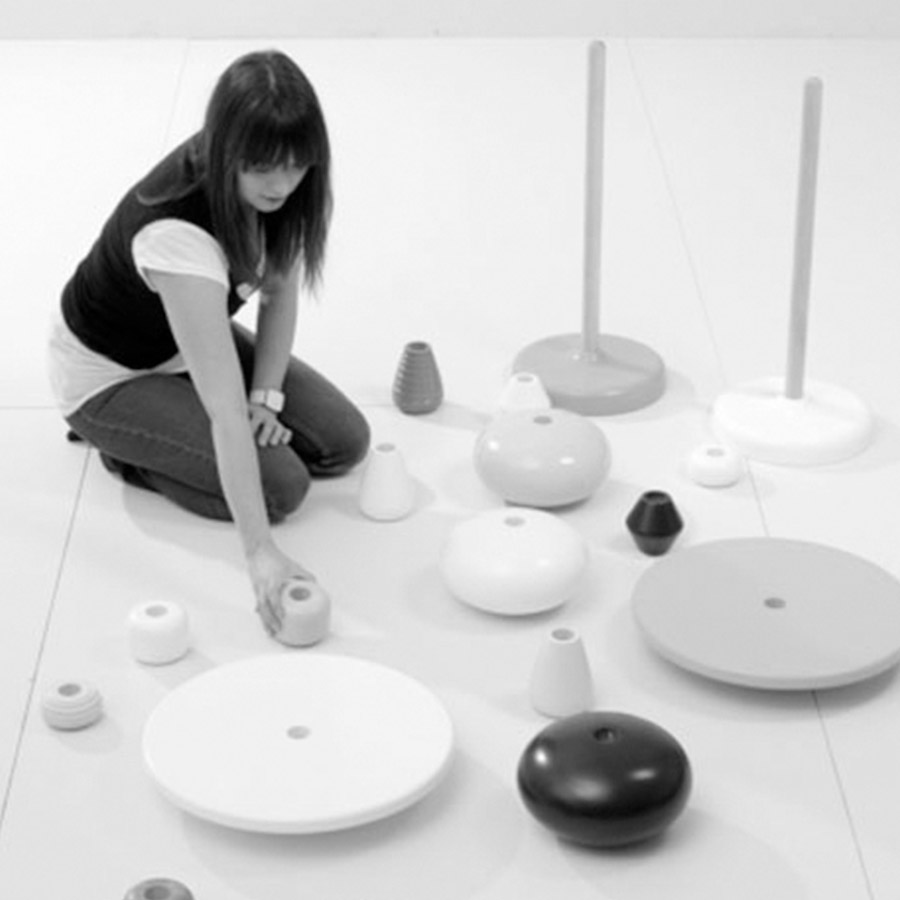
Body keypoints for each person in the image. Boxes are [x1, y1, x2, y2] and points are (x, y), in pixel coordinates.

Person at [47, 49, 370, 636]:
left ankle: (174, 434)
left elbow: (278, 294)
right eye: (263, 168)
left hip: (186, 337)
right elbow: (224, 410)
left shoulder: (277, 186)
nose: (282, 184)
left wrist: (265, 398)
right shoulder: (176, 232)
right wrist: (260, 553)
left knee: (343, 443)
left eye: (296, 165)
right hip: (112, 376)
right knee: (283, 487)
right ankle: (124, 450)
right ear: (228, 151)